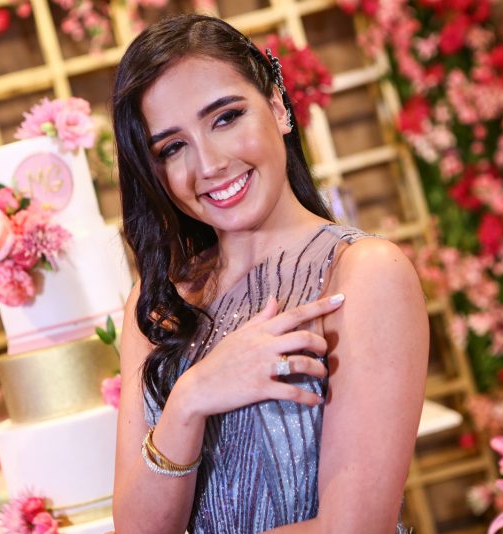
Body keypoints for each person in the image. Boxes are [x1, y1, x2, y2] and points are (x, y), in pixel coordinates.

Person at [110, 14, 428, 533]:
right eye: (172, 147)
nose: (208, 164)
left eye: (226, 118)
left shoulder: (364, 273)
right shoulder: (159, 303)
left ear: (278, 107)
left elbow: (354, 528)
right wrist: (190, 398)